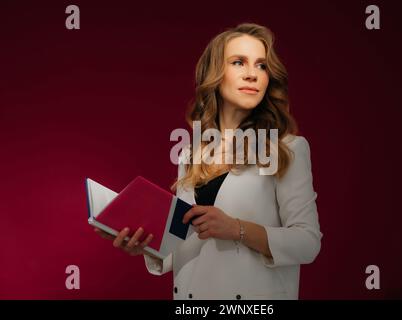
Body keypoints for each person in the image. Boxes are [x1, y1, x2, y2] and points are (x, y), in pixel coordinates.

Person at [95, 23, 322, 300]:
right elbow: (184, 245)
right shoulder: (191, 155)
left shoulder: (287, 149)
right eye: (239, 62)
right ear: (215, 75)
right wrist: (142, 245)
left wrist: (236, 228)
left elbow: (307, 242)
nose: (252, 74)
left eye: (261, 66)